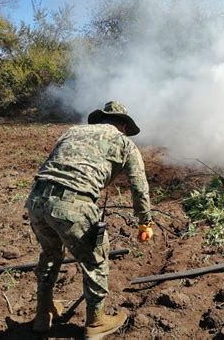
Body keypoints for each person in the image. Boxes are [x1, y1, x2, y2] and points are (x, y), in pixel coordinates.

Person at [25, 101, 154, 339]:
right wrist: (145, 222)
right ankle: (96, 323)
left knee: (50, 256)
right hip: (73, 206)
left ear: (102, 119)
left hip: (37, 200)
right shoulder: (124, 142)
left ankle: (43, 315)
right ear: (123, 125)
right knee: (95, 261)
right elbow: (140, 187)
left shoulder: (72, 131)